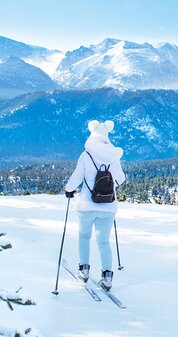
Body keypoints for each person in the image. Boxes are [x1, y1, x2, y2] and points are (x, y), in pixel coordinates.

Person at [65, 119, 126, 290]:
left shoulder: (86, 155)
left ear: (92, 136)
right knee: (104, 242)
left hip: (86, 205)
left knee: (84, 237)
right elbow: (121, 179)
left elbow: (77, 177)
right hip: (108, 207)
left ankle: (84, 271)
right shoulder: (113, 157)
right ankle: (107, 276)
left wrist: (69, 189)